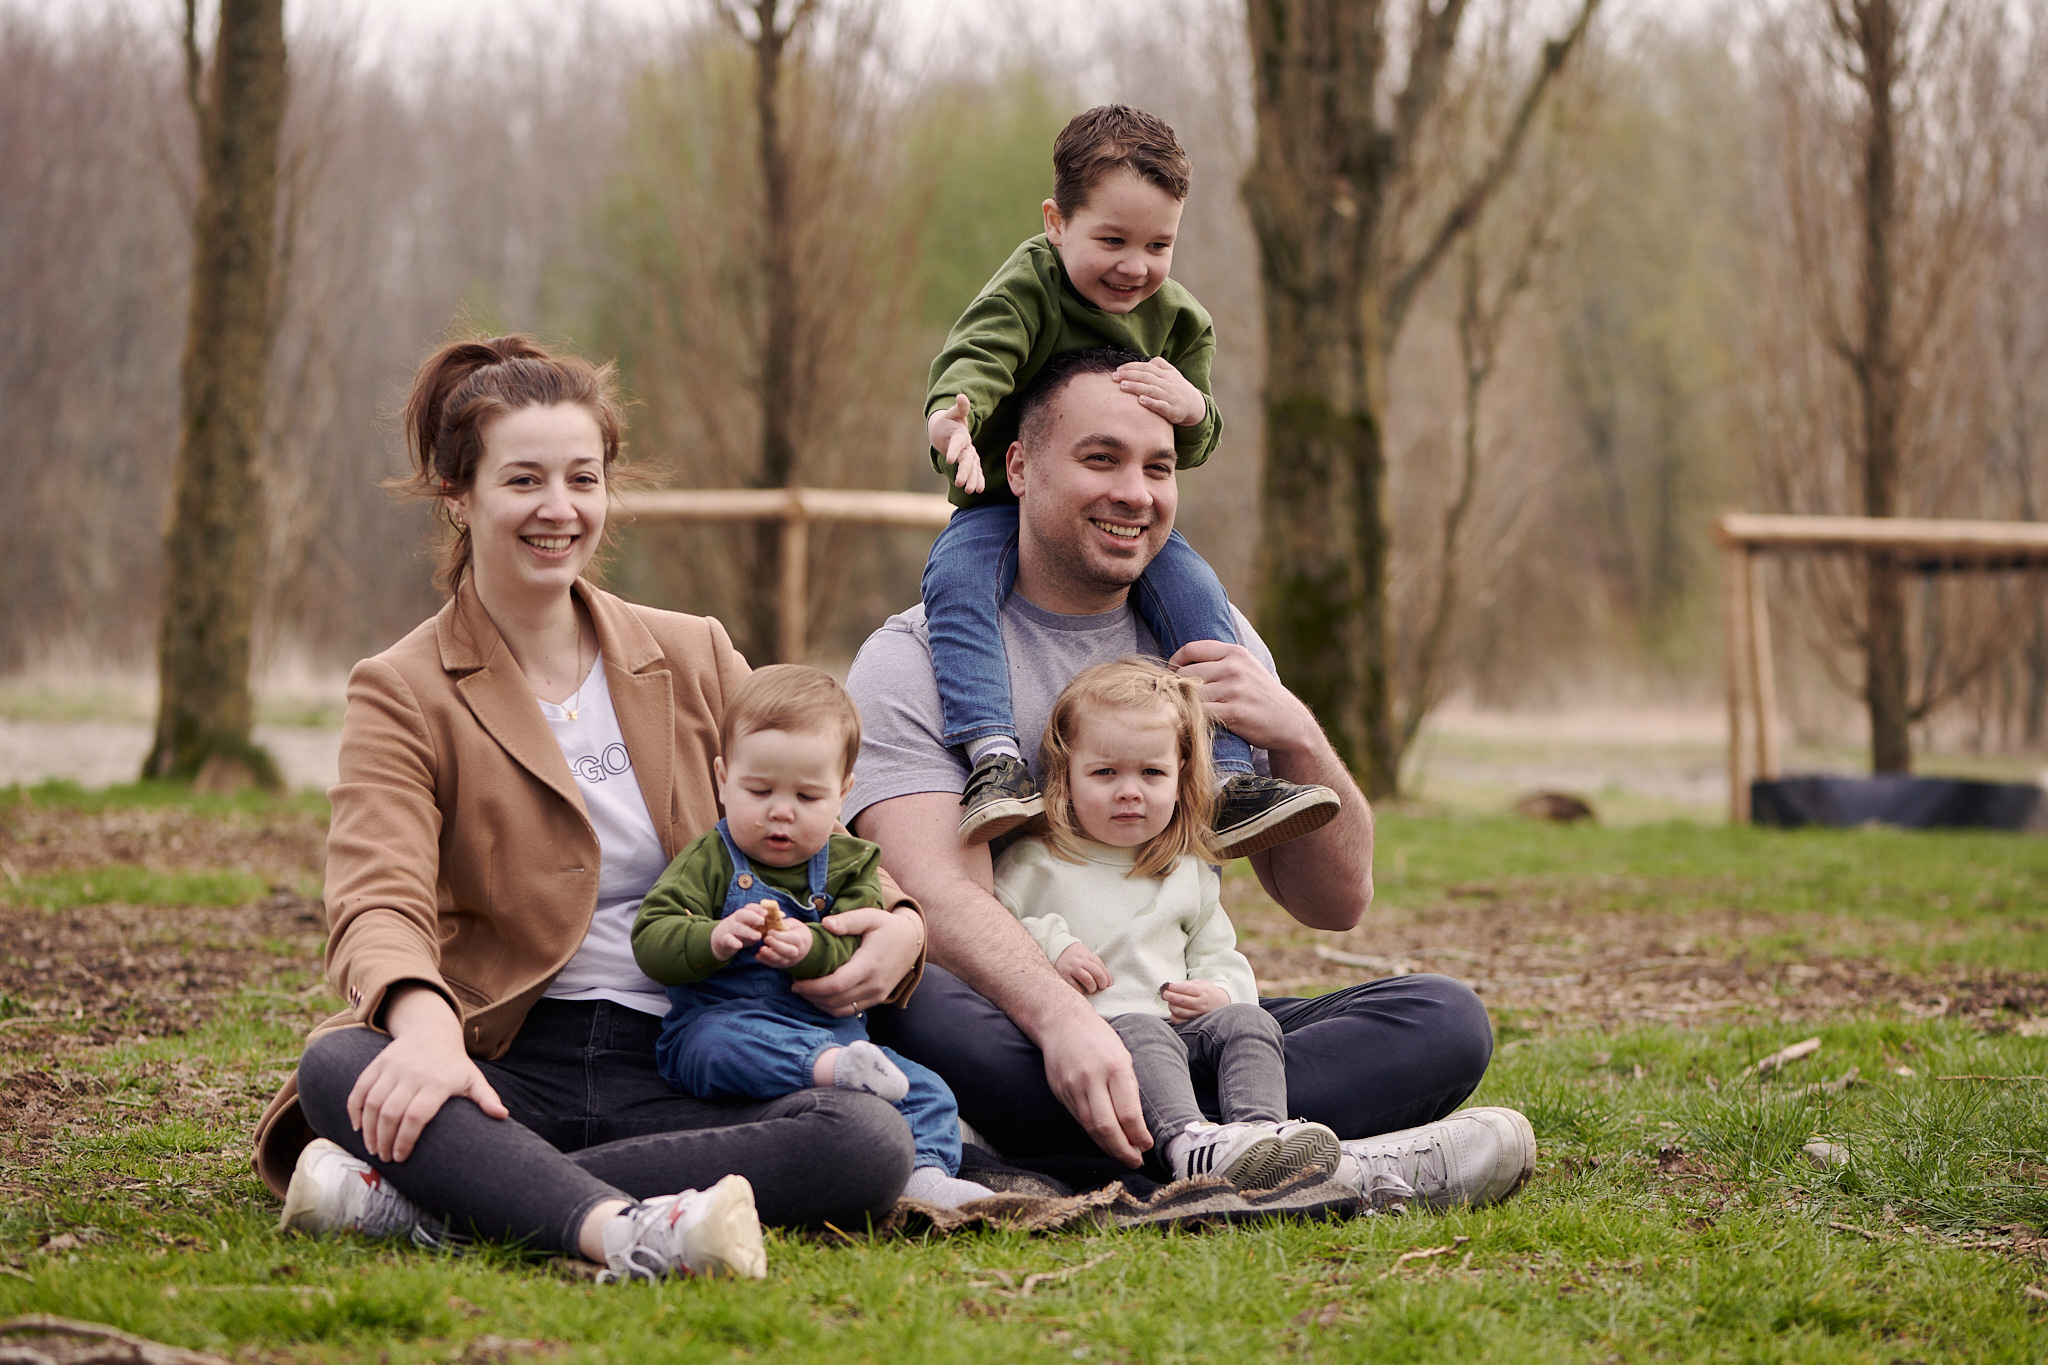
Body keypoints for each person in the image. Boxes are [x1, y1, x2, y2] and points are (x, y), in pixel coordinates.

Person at [252, 335, 928, 1281]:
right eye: (524, 479)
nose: (559, 509)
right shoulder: (402, 688)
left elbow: (817, 823)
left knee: (865, 1141)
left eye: (583, 477)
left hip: (684, 1053)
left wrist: (897, 921)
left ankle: (448, 1198)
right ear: (459, 493)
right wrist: (425, 1025)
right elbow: (377, 898)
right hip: (504, 1057)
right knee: (340, 1068)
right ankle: (618, 1230)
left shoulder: (693, 654)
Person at [849, 346, 1535, 1210]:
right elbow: (941, 900)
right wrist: (1064, 1023)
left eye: (1159, 467)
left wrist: (1295, 730)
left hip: (1180, 1025)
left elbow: (1337, 902)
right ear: (1017, 468)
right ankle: (1323, 1166)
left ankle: (1162, 1157)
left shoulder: (1216, 639)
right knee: (920, 1006)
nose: (1135, 492)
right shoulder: (913, 658)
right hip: (1030, 1026)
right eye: (1101, 458)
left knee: (1442, 1019)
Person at [919, 103, 1338, 856]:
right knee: (955, 578)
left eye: (1158, 244)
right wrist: (953, 422)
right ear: (1056, 222)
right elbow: (977, 358)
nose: (1134, 266)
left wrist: (1195, 410)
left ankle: (1231, 773)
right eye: (1111, 239)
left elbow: (1196, 437)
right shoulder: (1030, 287)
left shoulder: (1180, 322)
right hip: (1002, 501)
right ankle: (994, 759)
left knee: (1197, 591)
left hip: (1121, 523)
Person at [630, 665, 995, 1209]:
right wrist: (713, 937)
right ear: (723, 779)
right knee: (713, 1048)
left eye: (807, 795)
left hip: (837, 1035)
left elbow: (856, 944)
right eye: (759, 790)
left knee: (927, 1090)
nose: (781, 810)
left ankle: (924, 1178)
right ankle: (832, 1073)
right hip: (725, 1025)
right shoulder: (709, 859)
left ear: (843, 793)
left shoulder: (851, 865)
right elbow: (651, 936)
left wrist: (812, 950)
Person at [995, 657, 1342, 1189]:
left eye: (1151, 773)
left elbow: (1219, 953)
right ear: (1065, 775)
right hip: (1102, 1035)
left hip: (1184, 1029)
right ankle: (1188, 1144)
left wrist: (1221, 994)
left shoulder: (1187, 871)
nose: (1129, 790)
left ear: (1182, 778)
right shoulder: (1036, 859)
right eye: (1105, 772)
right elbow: (997, 922)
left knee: (1253, 1023)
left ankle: (1261, 1139)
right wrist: (1053, 946)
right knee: (1141, 1029)